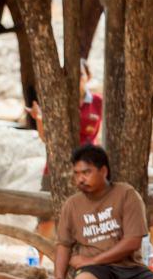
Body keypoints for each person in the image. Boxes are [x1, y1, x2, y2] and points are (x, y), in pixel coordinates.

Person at [50, 144, 153, 279]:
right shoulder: (72, 205)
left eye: (86, 172)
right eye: (76, 173)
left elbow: (133, 241)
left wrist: (91, 259)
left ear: (103, 171)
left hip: (129, 267)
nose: (80, 178)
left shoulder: (126, 194)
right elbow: (64, 245)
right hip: (96, 271)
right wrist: (58, 277)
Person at [28, 59, 104, 192]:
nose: (76, 79)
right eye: (71, 74)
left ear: (88, 77)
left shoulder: (98, 102)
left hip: (87, 169)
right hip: (57, 166)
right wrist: (39, 118)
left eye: (80, 74)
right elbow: (45, 138)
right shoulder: (57, 103)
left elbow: (102, 136)